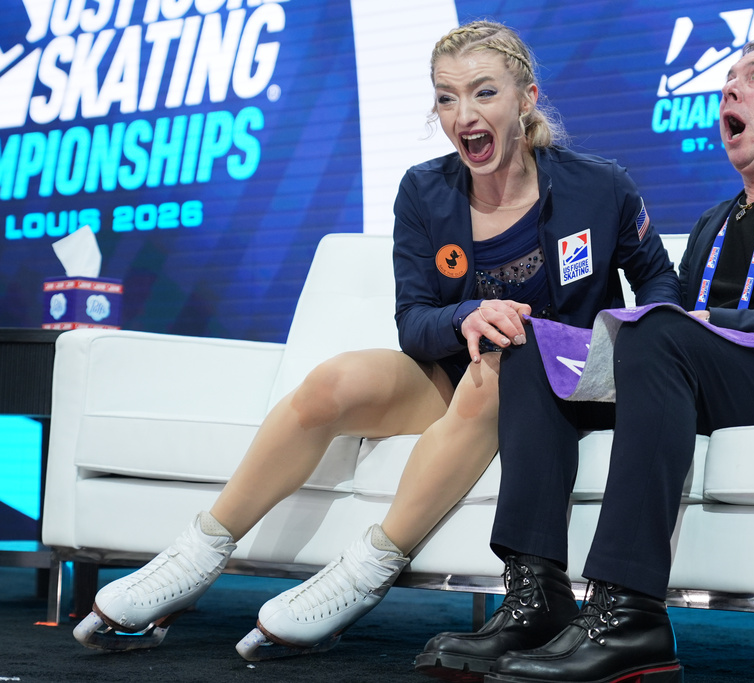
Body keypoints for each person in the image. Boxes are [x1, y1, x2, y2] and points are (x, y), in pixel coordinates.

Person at [72, 20, 680, 661]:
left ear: (526, 99)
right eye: (446, 98)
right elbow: (413, 321)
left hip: (562, 384)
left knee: (499, 368)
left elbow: (659, 282)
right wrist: (466, 315)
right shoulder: (424, 189)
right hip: (454, 378)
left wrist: (622, 355)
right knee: (335, 383)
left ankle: (362, 574)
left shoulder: (599, 185)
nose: (464, 115)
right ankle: (193, 559)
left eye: (484, 92)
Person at [416, 40, 754, 683]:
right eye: (727, 78)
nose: (729, 88)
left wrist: (709, 325)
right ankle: (536, 600)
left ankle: (629, 613)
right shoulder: (713, 223)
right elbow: (675, 334)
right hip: (706, 384)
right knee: (534, 349)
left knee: (658, 328)